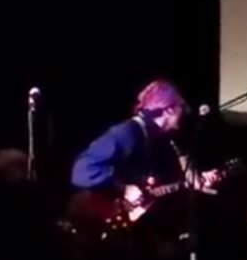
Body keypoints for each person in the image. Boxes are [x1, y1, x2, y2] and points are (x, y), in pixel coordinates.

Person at [70, 79, 219, 206]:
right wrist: (124, 189)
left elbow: (181, 179)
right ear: (168, 110)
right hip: (113, 219)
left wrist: (198, 181)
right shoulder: (127, 133)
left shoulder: (167, 139)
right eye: (181, 106)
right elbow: (81, 170)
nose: (185, 112)